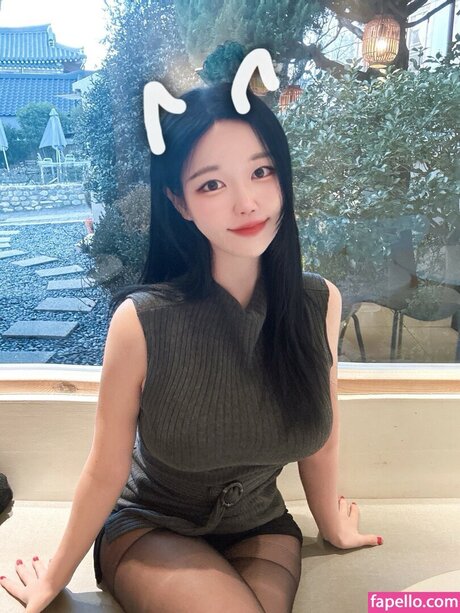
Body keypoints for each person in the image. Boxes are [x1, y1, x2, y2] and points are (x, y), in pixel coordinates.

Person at [0, 81, 383, 613]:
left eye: (261, 171)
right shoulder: (142, 321)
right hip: (150, 526)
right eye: (212, 184)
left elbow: (321, 437)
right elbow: (105, 468)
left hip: (261, 526)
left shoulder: (318, 301)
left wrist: (332, 528)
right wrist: (52, 580)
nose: (246, 202)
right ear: (179, 201)